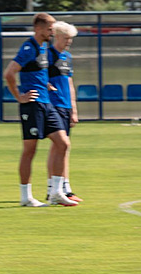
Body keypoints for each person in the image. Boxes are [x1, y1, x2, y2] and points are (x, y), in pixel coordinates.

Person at [4, 13, 78, 207]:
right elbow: (9, 73)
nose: (52, 32)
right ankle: (25, 197)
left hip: (47, 104)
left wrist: (45, 84)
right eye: (49, 29)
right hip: (32, 105)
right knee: (30, 150)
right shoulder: (28, 47)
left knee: (63, 143)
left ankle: (55, 193)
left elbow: (36, 72)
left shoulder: (44, 48)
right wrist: (19, 97)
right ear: (38, 29)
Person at [46, 21, 83, 203]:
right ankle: (54, 189)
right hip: (52, 106)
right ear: (57, 36)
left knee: (62, 147)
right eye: (67, 38)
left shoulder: (67, 57)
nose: (69, 41)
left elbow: (69, 83)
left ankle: (63, 188)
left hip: (66, 106)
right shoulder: (47, 55)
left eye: (71, 38)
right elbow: (37, 77)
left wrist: (74, 109)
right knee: (60, 146)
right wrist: (46, 86)